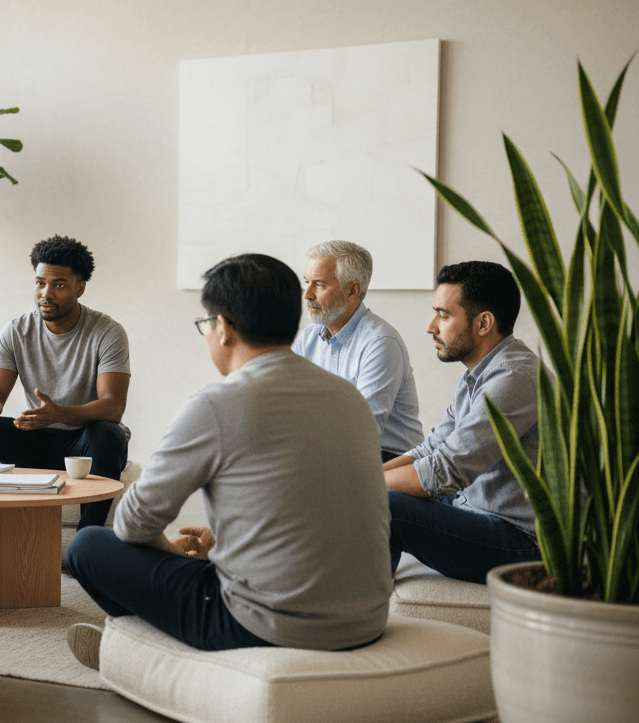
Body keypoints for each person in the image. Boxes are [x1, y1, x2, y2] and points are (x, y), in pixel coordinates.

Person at [64, 253, 391, 669]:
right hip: (366, 621)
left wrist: (170, 551)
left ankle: (140, 648)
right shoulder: (349, 398)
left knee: (88, 544)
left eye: (206, 324)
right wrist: (228, 545)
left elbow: (133, 523)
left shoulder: (218, 404)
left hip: (267, 626)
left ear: (223, 328)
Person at [0, 234, 130, 530]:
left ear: (80, 288)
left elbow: (113, 407)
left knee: (108, 434)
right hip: (36, 438)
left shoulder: (107, 332)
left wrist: (59, 414)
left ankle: (87, 541)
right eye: (40, 283)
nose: (45, 293)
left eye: (58, 285)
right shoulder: (16, 331)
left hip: (84, 443)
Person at [385, 261, 541, 583]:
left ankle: (353, 610)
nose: (431, 326)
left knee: (386, 503)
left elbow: (444, 471)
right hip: (473, 507)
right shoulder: (478, 373)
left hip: (520, 543)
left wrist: (357, 486)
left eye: (443, 315)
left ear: (483, 323)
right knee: (378, 465)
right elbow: (432, 448)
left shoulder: (514, 378)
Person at [292, 240, 423, 461]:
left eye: (320, 284)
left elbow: (362, 431)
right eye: (307, 283)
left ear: (352, 290)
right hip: (332, 449)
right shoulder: (309, 336)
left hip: (387, 458)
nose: (307, 295)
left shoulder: (381, 342)